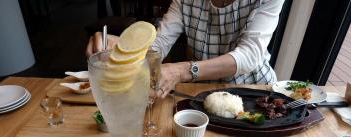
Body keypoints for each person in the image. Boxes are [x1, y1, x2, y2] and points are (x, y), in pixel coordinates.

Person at [86, 0, 285, 98]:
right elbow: (158, 45)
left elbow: (249, 56)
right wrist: (121, 49)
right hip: (198, 93)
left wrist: (181, 71)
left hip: (254, 92)